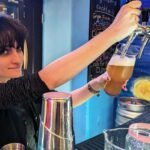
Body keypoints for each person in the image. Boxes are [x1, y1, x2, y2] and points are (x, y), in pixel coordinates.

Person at [0, 1, 141, 149]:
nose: (17, 59)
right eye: (4, 51)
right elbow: (48, 79)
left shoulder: (19, 87)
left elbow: (61, 102)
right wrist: (114, 32)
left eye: (18, 49)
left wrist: (96, 84)